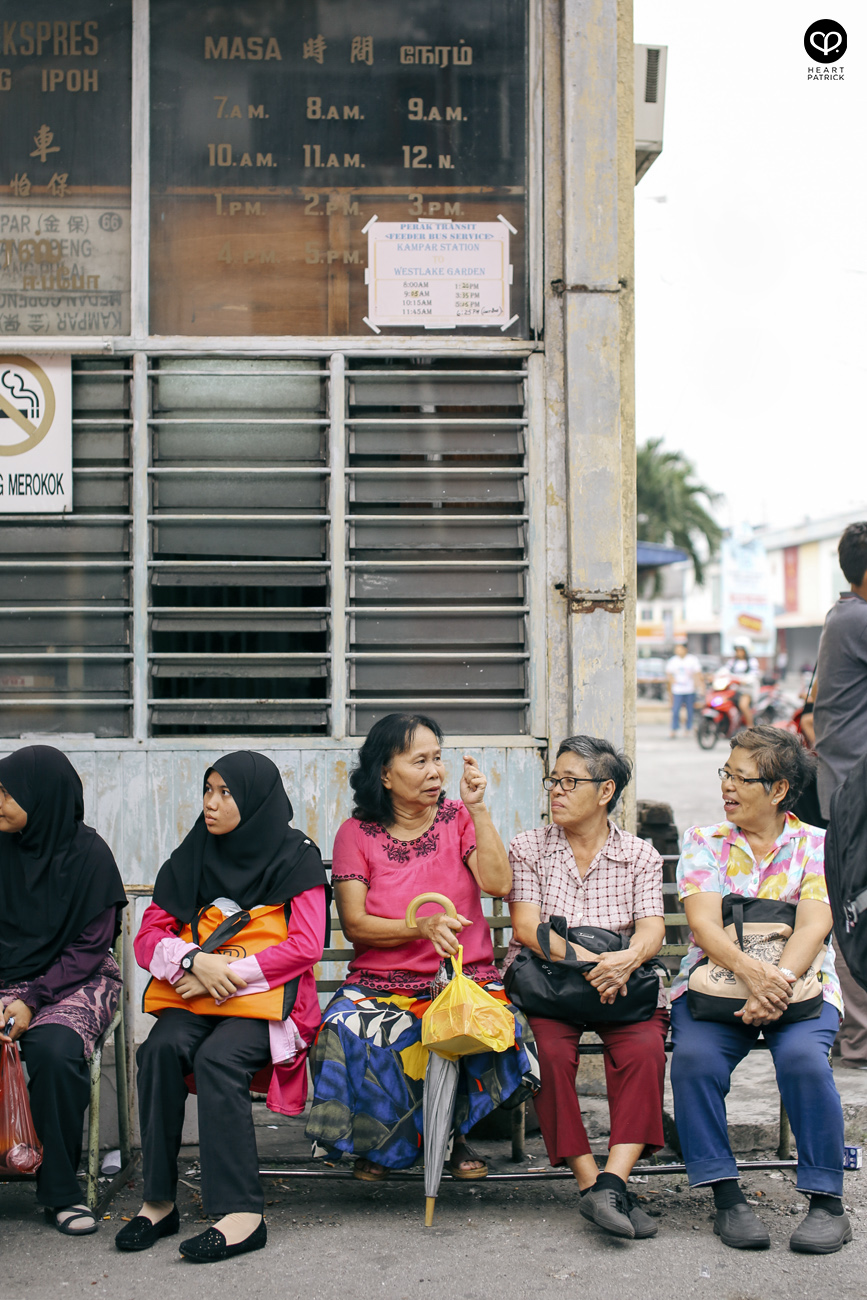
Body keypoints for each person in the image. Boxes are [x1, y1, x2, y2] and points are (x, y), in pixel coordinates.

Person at [306, 712, 539, 1180]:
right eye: (420, 761)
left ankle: (453, 1138)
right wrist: (420, 927)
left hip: (462, 978)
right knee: (342, 1027)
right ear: (385, 774)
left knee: (489, 1023)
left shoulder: (457, 818)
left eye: (438, 759)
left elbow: (497, 883)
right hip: (378, 982)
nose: (435, 771)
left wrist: (479, 810)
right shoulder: (357, 834)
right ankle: (379, 1141)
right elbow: (355, 924)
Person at [116, 752, 327, 1263]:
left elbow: (306, 945)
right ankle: (159, 1201)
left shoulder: (296, 855)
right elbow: (148, 937)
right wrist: (192, 960)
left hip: (266, 1000)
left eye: (225, 793)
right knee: (161, 1050)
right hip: (199, 994)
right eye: (208, 790)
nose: (211, 804)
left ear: (253, 799)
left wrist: (223, 977)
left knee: (218, 1059)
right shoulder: (194, 853)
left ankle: (241, 1215)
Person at [668, 726, 850, 1254]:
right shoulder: (704, 842)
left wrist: (777, 986)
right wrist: (757, 977)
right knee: (695, 1062)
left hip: (801, 990)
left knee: (805, 1063)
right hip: (714, 988)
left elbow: (816, 924)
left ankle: (826, 1203)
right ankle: (728, 1197)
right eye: (724, 772)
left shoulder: (817, 844)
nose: (726, 785)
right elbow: (703, 925)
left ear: (777, 790)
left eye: (740, 777)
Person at [505, 736, 668, 1241]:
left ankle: (612, 1184)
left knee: (644, 1050)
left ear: (605, 791)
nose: (556, 789)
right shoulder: (529, 847)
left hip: (620, 984)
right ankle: (590, 1182)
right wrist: (593, 961)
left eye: (569, 781)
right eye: (554, 780)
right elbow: (526, 928)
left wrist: (628, 959)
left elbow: (652, 928)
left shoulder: (639, 854)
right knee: (548, 1056)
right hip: (552, 984)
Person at [0, 746, 127, 1236]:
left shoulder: (89, 855)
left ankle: (60, 1192)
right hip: (7, 978)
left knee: (55, 1051)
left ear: (42, 798)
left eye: (7, 794)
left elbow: (90, 947)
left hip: (76, 978)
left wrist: (31, 999)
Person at [811, 523, 867, 1068]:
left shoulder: (842, 615)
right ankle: (859, 1039)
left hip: (846, 789)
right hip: (856, 796)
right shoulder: (858, 618)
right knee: (856, 910)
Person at [665, 643, 704, 738]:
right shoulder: (673, 661)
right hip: (677, 690)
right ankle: (674, 729)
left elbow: (698, 673)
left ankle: (688, 728)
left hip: (689, 689)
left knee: (690, 710)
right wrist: (672, 681)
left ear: (685, 649)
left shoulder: (692, 660)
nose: (678, 651)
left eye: (680, 649)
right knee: (675, 710)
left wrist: (700, 686)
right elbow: (669, 674)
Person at [724, 640, 760, 728]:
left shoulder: (752, 661)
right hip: (733, 688)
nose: (739, 652)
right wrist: (713, 676)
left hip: (747, 689)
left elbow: (754, 675)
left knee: (743, 705)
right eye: (737, 650)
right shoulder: (732, 662)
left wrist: (744, 680)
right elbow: (724, 671)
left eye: (741, 650)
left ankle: (750, 727)